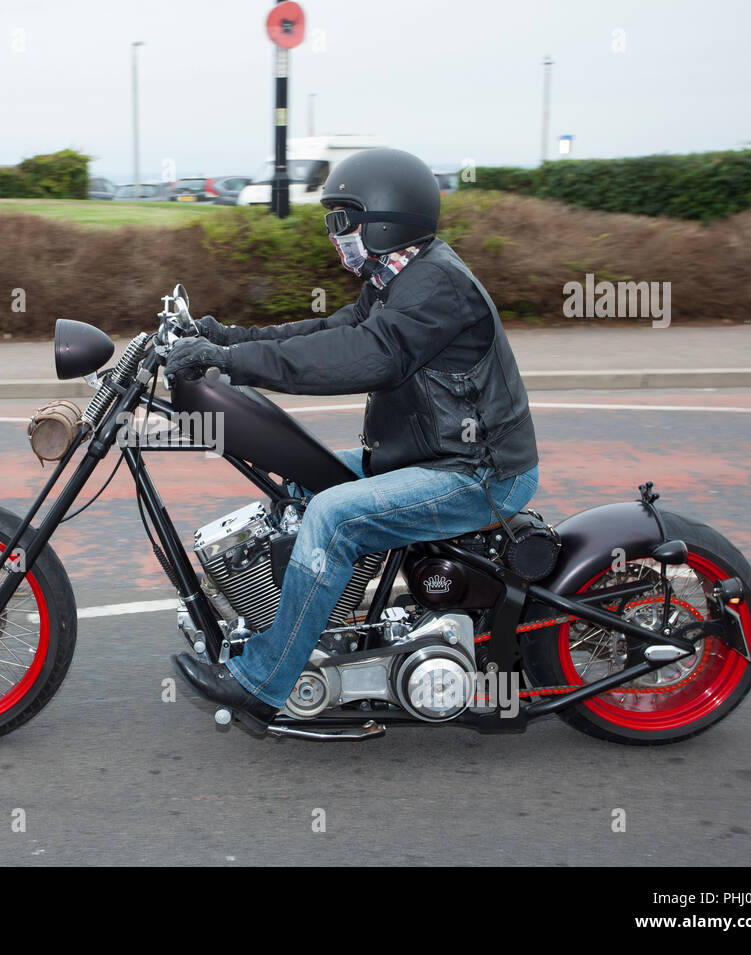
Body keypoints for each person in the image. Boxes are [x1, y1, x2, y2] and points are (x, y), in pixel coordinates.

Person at [165, 147, 539, 723]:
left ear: (387, 219)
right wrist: (226, 338)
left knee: (331, 517)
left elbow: (368, 355)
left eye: (344, 219)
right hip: (422, 457)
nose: (335, 233)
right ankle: (316, 628)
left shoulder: (436, 285)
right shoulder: (396, 279)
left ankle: (266, 679)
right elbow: (327, 330)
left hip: (475, 472)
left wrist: (232, 361)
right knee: (299, 478)